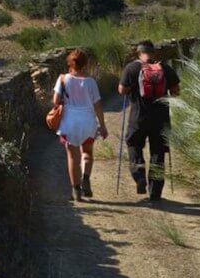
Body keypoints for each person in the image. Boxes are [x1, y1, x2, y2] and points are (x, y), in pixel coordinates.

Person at [118, 40, 180, 203]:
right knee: (158, 153)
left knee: (134, 145)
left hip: (138, 117)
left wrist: (133, 89)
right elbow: (176, 91)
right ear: (153, 53)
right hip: (160, 119)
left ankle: (139, 177)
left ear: (138, 53)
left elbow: (122, 90)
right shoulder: (164, 68)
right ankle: (155, 192)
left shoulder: (131, 68)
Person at [54, 49, 108, 202]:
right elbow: (98, 104)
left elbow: (55, 101)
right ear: (85, 64)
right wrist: (102, 125)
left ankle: (76, 190)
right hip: (88, 122)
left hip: (69, 122)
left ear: (70, 63)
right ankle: (86, 179)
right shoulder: (91, 82)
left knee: (72, 156)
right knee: (87, 153)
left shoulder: (63, 79)